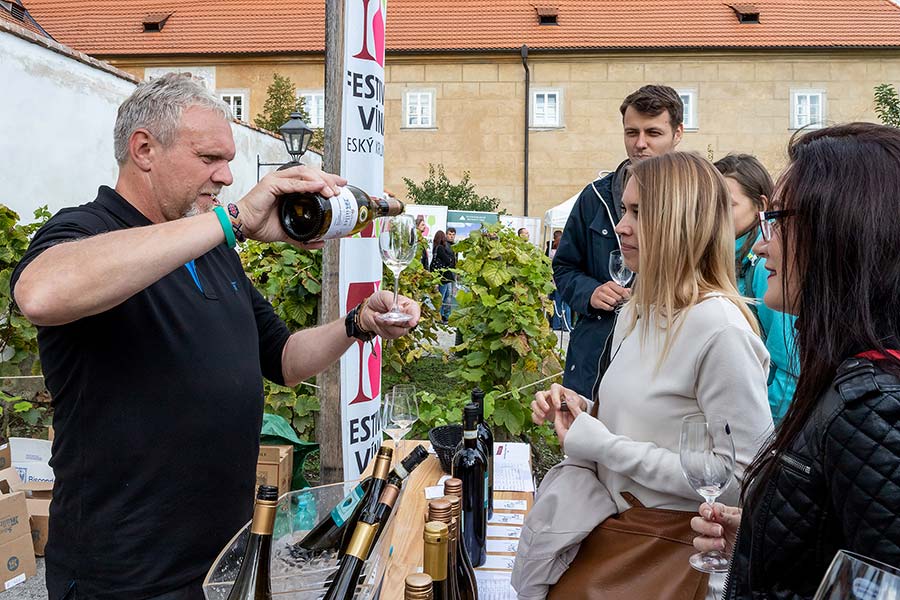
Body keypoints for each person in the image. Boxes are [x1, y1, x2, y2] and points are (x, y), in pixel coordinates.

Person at [11, 73, 421, 599]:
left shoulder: (211, 247)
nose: (227, 176)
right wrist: (235, 221)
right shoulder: (87, 229)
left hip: (222, 563)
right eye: (210, 158)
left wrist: (357, 322)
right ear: (143, 150)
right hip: (124, 577)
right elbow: (41, 294)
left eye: (228, 160)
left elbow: (284, 359)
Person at [532, 152, 773, 598]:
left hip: (661, 557)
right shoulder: (641, 310)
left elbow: (741, 481)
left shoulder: (719, 328)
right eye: (624, 209)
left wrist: (603, 445)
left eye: (638, 212)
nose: (621, 225)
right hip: (612, 535)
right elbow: (651, 421)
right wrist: (584, 410)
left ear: (681, 222)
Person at [691, 123, 900, 598]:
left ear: (838, 232)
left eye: (779, 222)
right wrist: (756, 541)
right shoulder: (857, 381)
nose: (763, 244)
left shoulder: (874, 409)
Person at [553, 84, 684, 397]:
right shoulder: (594, 197)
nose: (640, 144)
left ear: (677, 133)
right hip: (595, 358)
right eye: (631, 133)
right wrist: (590, 291)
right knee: (583, 438)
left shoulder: (692, 202)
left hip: (664, 357)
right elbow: (565, 266)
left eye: (653, 133)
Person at [714, 154, 798, 424]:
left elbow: (788, 364)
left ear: (761, 205)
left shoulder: (766, 264)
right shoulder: (728, 256)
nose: (716, 216)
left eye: (728, 205)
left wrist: (766, 430)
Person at [430, 230, 456, 323]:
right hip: (443, 276)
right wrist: (449, 259)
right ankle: (439, 317)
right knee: (442, 297)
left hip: (440, 275)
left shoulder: (435, 248)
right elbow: (447, 259)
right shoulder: (441, 248)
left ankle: (441, 316)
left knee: (443, 296)